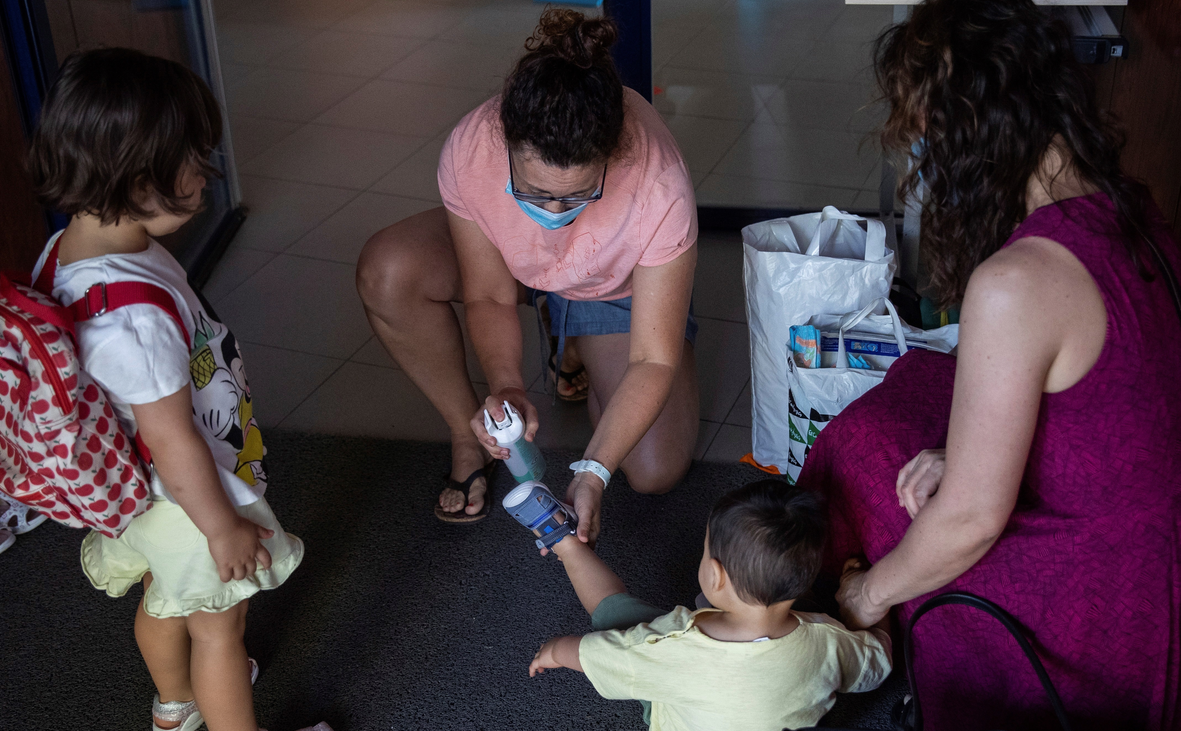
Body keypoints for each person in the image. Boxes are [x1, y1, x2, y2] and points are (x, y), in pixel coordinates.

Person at [798, 0, 1181, 727]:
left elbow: (972, 521)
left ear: (970, 142)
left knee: (861, 451)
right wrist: (959, 452)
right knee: (917, 385)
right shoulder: (1132, 204)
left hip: (1096, 623)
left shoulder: (1017, 283)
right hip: (1154, 574)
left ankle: (833, 622)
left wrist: (868, 594)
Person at [27, 48, 324, 731]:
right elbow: (170, 435)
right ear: (138, 180)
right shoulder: (129, 318)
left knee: (166, 597)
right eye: (194, 158)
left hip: (135, 493)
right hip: (185, 499)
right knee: (220, 624)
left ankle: (175, 706)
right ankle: (218, 703)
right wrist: (221, 526)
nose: (205, 172)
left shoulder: (73, 248)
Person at [357, 9, 700, 539]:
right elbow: (489, 295)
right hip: (511, 264)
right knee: (388, 271)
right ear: (507, 144)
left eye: (578, 194)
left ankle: (586, 327)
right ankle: (467, 432)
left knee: (655, 471)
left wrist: (593, 470)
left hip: (612, 285)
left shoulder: (660, 184)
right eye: (535, 194)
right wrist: (508, 385)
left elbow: (653, 359)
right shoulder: (474, 146)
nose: (555, 210)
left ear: (612, 156)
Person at [528, 481, 892, 730]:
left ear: (715, 575)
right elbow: (878, 661)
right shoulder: (827, 639)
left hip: (679, 693)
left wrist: (558, 651)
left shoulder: (670, 648)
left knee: (614, 613)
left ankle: (566, 544)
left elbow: (603, 654)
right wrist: (877, 611)